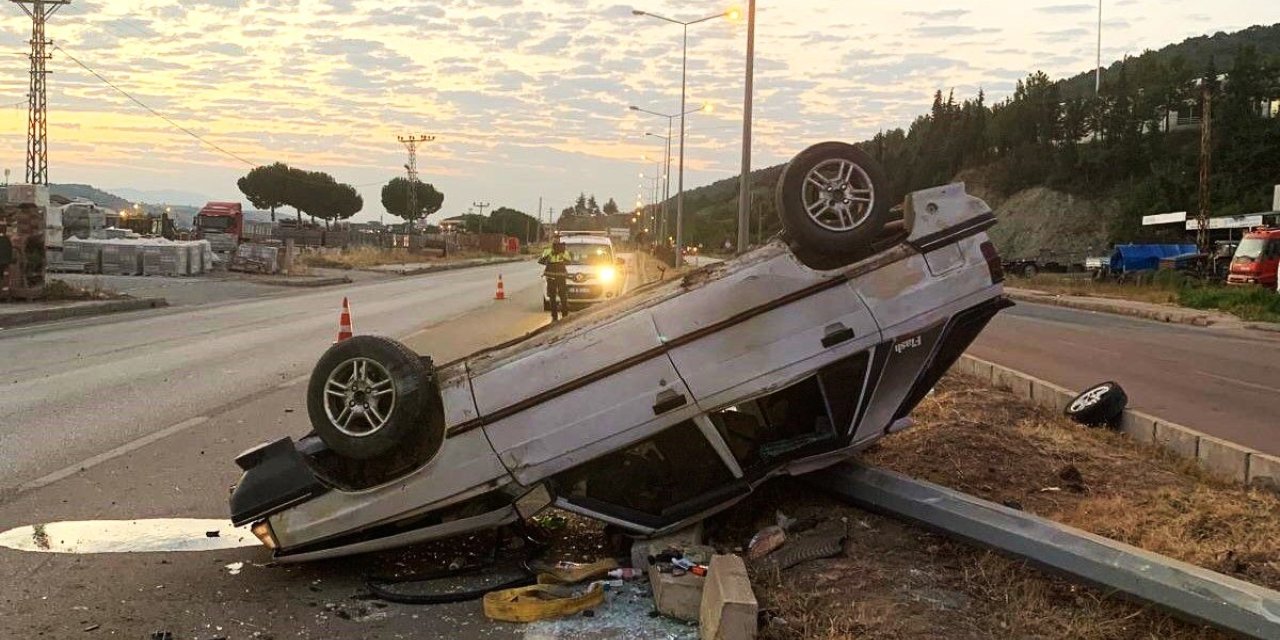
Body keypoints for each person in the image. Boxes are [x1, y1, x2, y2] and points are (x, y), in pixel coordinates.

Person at [539, 239, 573, 321]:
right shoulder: (564, 252)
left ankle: (555, 317)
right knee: (562, 296)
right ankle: (564, 315)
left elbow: (541, 261)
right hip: (560, 277)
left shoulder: (548, 251)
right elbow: (569, 262)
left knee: (553, 297)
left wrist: (551, 256)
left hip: (551, 277)